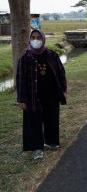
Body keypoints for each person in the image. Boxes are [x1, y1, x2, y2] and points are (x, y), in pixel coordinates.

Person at [16, 29, 67, 160]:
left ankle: (51, 141)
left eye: (39, 37)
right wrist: (21, 99)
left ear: (43, 39)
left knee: (52, 118)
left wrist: (64, 90)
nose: (36, 40)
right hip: (33, 97)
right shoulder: (25, 59)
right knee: (33, 121)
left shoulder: (52, 55)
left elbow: (61, 74)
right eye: (33, 37)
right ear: (30, 39)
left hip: (51, 95)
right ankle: (36, 148)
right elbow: (20, 80)